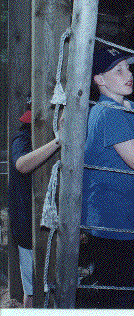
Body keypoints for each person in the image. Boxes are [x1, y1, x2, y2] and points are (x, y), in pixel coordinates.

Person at [80, 43, 134, 308]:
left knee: (127, 287)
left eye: (128, 68)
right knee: (115, 293)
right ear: (99, 80)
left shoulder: (131, 109)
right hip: (109, 215)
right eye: (118, 70)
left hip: (128, 211)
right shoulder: (108, 112)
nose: (128, 74)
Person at [8, 95, 63, 307]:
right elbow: (21, 164)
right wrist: (58, 141)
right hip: (27, 226)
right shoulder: (23, 137)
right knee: (32, 291)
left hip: (48, 224)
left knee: (52, 285)